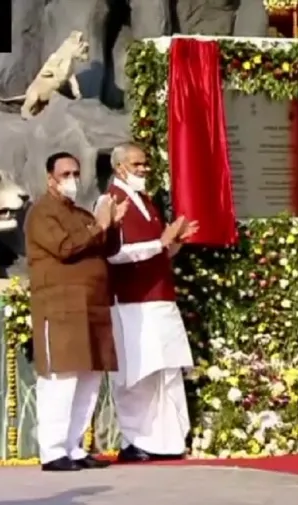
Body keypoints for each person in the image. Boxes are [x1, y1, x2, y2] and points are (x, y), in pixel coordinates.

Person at [25, 151, 130, 471]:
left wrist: (113, 224)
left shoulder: (81, 214)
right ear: (50, 179)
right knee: (63, 378)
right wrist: (99, 225)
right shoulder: (42, 213)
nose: (72, 179)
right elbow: (65, 248)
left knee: (89, 377)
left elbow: (108, 248)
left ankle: (74, 446)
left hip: (92, 306)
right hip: (61, 308)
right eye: (65, 174)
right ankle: (53, 451)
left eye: (75, 173)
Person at [99, 143, 198, 462]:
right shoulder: (109, 200)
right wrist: (160, 242)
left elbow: (158, 252)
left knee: (165, 372)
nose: (144, 169)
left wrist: (175, 243)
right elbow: (113, 254)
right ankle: (137, 441)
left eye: (145, 164)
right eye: (136, 164)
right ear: (119, 168)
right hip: (131, 302)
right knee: (137, 375)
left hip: (160, 298)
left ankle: (168, 442)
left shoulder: (146, 201)